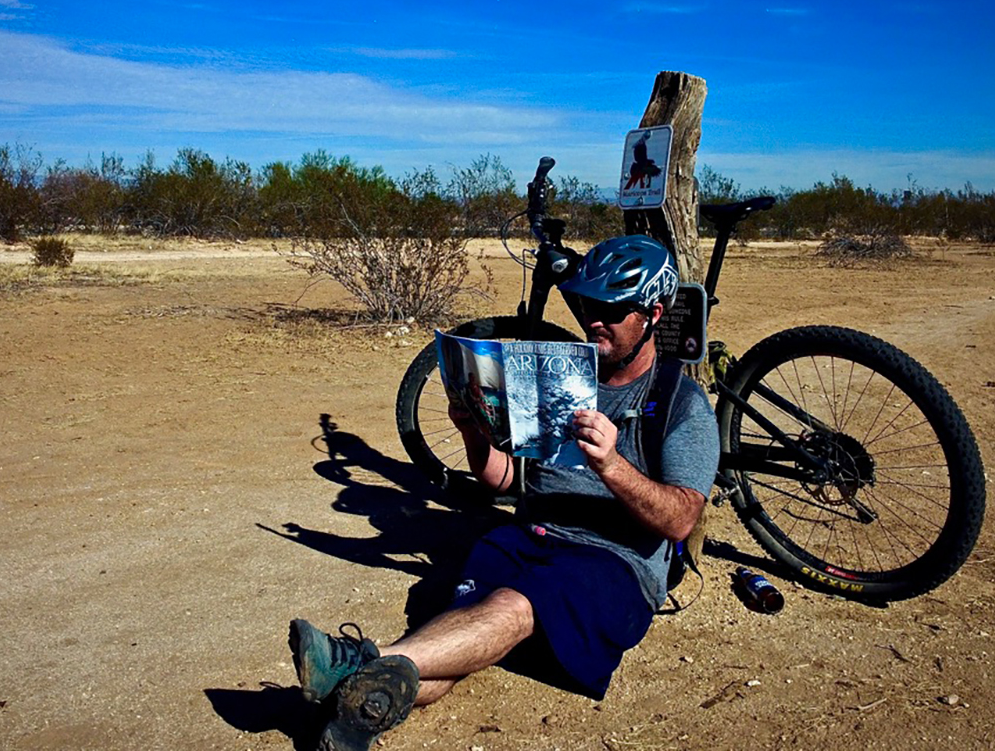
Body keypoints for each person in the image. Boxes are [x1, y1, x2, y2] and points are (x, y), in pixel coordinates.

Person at [288, 235, 720, 751]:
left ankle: (356, 660)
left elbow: (680, 521)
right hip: (530, 532)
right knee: (455, 631)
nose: (593, 320)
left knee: (514, 606)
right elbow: (506, 482)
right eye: (587, 305)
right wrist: (474, 429)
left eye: (611, 309)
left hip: (613, 560)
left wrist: (610, 463)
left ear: (652, 314)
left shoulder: (679, 401)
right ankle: (359, 714)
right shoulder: (558, 374)